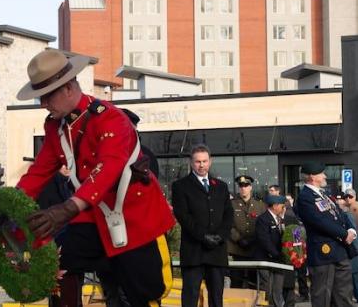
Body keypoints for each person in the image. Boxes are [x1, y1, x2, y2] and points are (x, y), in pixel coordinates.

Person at [16, 49, 176, 307]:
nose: (43, 104)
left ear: (68, 88)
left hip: (134, 220)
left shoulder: (111, 118)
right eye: (39, 98)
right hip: (92, 217)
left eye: (46, 96)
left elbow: (109, 168)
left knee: (144, 293)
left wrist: (67, 208)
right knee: (58, 263)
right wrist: (11, 203)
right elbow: (39, 171)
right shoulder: (56, 126)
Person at [172, 144, 233, 307]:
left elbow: (228, 215)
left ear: (210, 162)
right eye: (198, 161)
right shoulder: (180, 186)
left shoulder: (221, 186)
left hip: (217, 252)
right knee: (190, 298)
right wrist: (203, 236)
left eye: (204, 161)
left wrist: (220, 236)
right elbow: (183, 217)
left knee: (216, 298)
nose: (201, 165)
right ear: (191, 163)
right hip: (194, 252)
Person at [295, 162, 355, 307]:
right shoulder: (305, 197)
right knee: (322, 297)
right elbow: (320, 221)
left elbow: (340, 214)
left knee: (344, 296)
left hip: (339, 250)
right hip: (323, 253)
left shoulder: (324, 194)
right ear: (312, 177)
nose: (325, 176)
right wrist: (343, 234)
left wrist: (351, 230)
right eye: (322, 173)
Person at [228, 174, 264, 289]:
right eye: (241, 185)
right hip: (237, 249)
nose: (243, 188)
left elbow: (262, 225)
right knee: (236, 281)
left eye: (246, 185)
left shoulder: (260, 205)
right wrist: (239, 239)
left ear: (251, 187)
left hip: (254, 248)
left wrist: (253, 239)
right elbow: (227, 224)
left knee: (253, 282)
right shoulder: (231, 204)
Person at [254, 194, 289, 307]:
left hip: (278, 261)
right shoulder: (263, 219)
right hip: (266, 259)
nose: (283, 208)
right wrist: (276, 254)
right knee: (267, 288)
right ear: (275, 206)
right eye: (282, 206)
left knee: (277, 288)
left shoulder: (280, 219)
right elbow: (264, 240)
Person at [337, 195, 358, 304]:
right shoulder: (342, 215)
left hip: (351, 249)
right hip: (347, 249)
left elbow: (354, 233)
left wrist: (357, 248)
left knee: (354, 275)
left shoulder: (347, 215)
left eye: (340, 203)